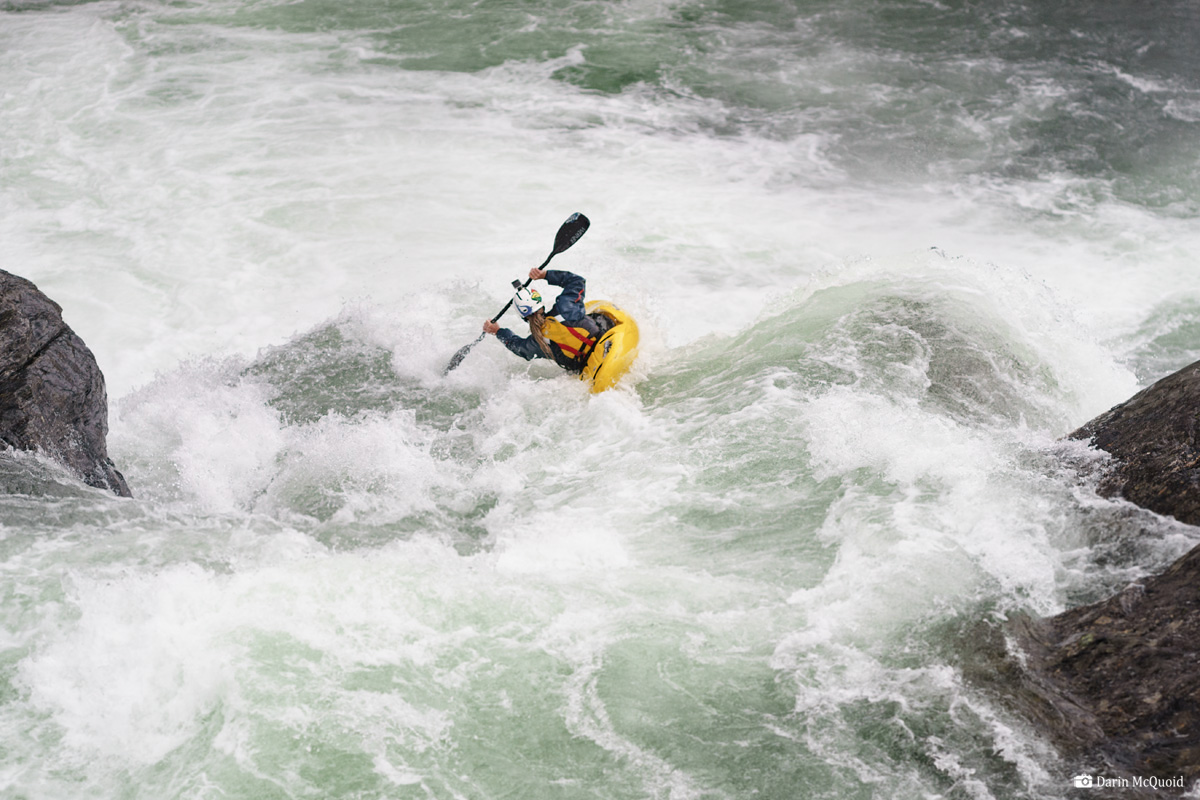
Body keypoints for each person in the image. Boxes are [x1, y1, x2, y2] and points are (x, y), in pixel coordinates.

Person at [483, 268, 612, 373]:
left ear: (523, 316)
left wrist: (498, 331)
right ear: (541, 304)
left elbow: (518, 347)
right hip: (605, 343)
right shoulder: (565, 306)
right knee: (597, 316)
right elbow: (577, 281)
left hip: (585, 367)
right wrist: (545, 275)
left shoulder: (537, 341)